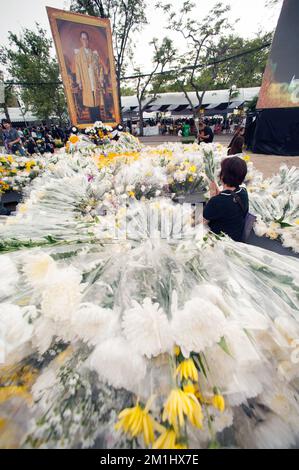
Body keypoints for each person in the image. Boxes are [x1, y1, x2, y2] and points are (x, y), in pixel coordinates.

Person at [203, 157, 249, 242]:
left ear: (223, 175)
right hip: (237, 238)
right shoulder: (243, 192)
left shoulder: (217, 201)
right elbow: (230, 199)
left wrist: (212, 197)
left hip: (220, 242)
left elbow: (203, 220)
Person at [75, 31, 106, 123]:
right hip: (86, 82)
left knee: (96, 102)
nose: (85, 40)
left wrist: (101, 78)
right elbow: (78, 69)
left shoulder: (94, 54)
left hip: (95, 81)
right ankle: (94, 123)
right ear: (81, 40)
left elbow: (100, 67)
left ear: (88, 40)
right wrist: (79, 82)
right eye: (83, 38)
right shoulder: (78, 55)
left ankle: (99, 123)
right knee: (90, 102)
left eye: (86, 38)